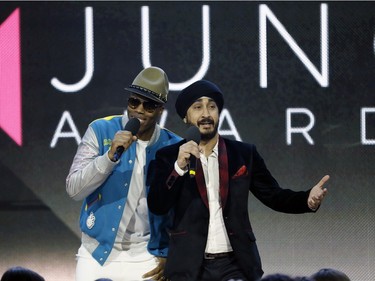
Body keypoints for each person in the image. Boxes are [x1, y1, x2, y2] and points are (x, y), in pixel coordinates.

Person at [147, 80, 329, 281]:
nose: (206, 113)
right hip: (188, 266)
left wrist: (307, 200)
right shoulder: (168, 156)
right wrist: (178, 168)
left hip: (236, 264)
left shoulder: (243, 153)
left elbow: (273, 195)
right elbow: (158, 205)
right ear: (185, 117)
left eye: (212, 107)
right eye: (198, 107)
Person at [66, 66, 182, 281]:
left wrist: (169, 253)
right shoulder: (100, 130)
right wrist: (109, 157)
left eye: (148, 105)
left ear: (160, 110)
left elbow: (180, 209)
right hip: (96, 253)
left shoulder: (173, 146)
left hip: (146, 257)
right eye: (133, 102)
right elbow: (74, 189)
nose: (138, 110)